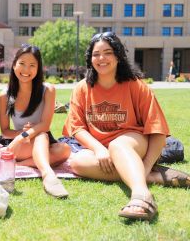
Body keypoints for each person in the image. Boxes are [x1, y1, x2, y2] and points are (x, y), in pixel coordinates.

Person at [63, 32, 190, 220]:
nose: (101, 58)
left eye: (108, 52)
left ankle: (142, 195)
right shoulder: (82, 88)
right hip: (103, 151)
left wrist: (146, 165)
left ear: (118, 56)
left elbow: (157, 131)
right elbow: (77, 128)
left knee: (118, 145)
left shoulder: (136, 86)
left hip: (134, 143)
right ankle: (154, 177)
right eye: (96, 54)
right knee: (77, 163)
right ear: (90, 59)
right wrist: (98, 149)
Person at [0, 44, 71, 198]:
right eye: (22, 64)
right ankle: (48, 175)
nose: (26, 70)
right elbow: (5, 131)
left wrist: (26, 134)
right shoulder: (4, 95)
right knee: (41, 135)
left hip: (37, 141)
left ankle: (18, 165)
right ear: (14, 65)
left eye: (32, 65)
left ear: (38, 68)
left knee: (64, 149)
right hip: (19, 144)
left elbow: (45, 125)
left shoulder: (48, 90)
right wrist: (21, 134)